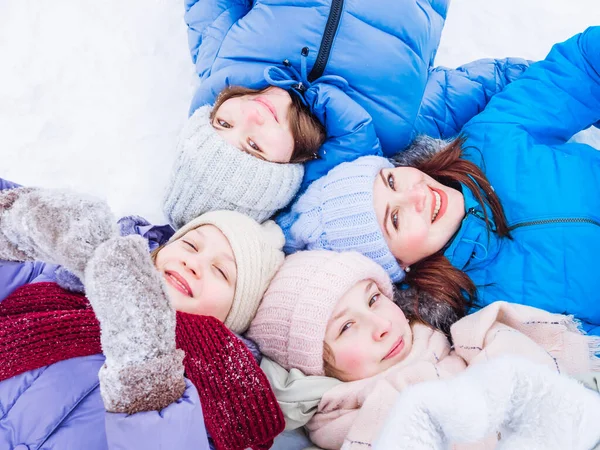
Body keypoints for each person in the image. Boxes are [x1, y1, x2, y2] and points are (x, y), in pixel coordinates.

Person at [277, 26, 600, 334]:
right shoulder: (484, 315)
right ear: (399, 266)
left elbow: (580, 65)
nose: (415, 194)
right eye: (395, 218)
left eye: (391, 182)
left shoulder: (489, 142)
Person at [163, 0, 531, 227]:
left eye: (223, 123)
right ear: (286, 171)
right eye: (254, 145)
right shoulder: (389, 128)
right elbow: (485, 84)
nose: (251, 116)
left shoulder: (221, 63)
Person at [0, 182, 286, 449]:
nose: (193, 263)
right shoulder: (65, 278)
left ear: (233, 316)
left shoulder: (220, 395)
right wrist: (17, 226)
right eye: (190, 245)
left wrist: (145, 364)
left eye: (221, 271)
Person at [247, 250, 600, 449]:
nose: (381, 325)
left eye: (373, 299)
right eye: (347, 327)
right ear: (317, 368)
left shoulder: (469, 342)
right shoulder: (356, 431)